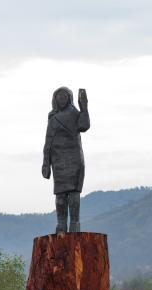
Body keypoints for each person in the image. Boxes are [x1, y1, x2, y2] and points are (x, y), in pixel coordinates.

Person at [42, 87, 90, 233]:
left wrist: (84, 108)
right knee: (60, 195)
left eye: (64, 96)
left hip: (74, 157)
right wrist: (46, 162)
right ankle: (61, 224)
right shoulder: (52, 116)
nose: (61, 99)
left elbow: (84, 126)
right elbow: (48, 141)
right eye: (59, 96)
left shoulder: (75, 113)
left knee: (74, 192)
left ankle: (75, 223)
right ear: (54, 99)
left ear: (69, 98)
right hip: (58, 160)